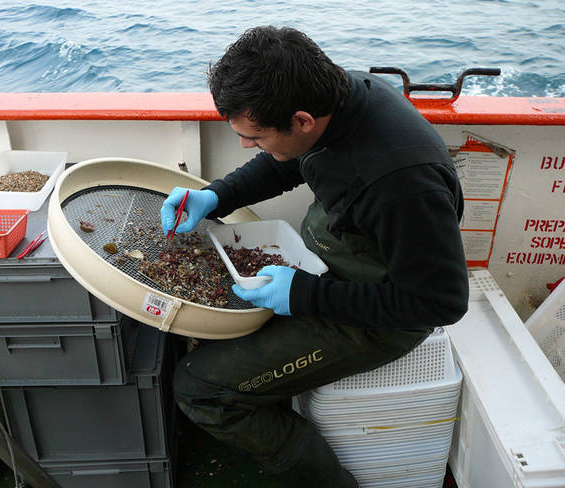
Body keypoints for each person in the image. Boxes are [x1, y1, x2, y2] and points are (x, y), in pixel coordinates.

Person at [161, 26, 469, 488]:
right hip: (326, 268)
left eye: (255, 136)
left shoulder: (403, 185)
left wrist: (305, 295)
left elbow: (440, 303)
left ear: (302, 120)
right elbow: (283, 158)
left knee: (200, 389)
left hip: (376, 314)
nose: (248, 145)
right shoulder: (336, 92)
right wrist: (217, 195)